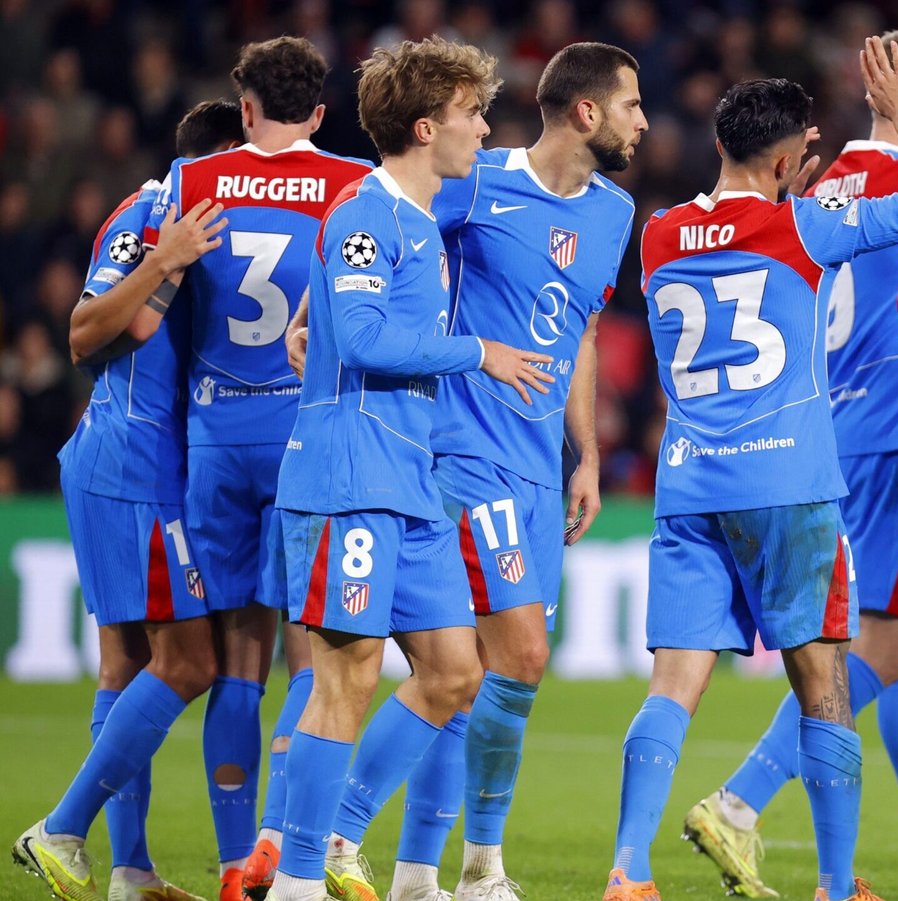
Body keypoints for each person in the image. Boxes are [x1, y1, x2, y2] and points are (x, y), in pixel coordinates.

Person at [604, 37, 898, 901]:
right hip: (788, 485)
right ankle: (837, 889)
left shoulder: (659, 234)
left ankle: (627, 870)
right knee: (825, 685)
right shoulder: (800, 224)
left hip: (689, 484)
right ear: (782, 159)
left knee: (673, 685)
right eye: (800, 154)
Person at [321, 41, 646, 901]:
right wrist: (325, 320)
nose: (644, 122)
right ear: (586, 112)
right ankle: (373, 841)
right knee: (522, 655)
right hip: (463, 451)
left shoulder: (615, 211)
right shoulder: (477, 182)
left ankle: (427, 873)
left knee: (475, 679)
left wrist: (587, 450)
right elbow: (391, 233)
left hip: (542, 465)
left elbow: (576, 332)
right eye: (631, 105)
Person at [264, 37, 554, 901]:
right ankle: (299, 880)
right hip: (348, 473)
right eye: (470, 113)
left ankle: (339, 832)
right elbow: (361, 338)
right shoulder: (366, 213)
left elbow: (335, 322)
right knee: (345, 675)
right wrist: (480, 352)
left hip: (410, 479)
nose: (482, 127)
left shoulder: (418, 221)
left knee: (456, 670)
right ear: (427, 127)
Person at [128, 36, 375, 901]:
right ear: (317, 112)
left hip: (215, 440)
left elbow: (152, 305)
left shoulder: (189, 183)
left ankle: (239, 867)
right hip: (306, 437)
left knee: (239, 658)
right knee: (318, 655)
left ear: (242, 107)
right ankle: (292, 842)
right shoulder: (350, 184)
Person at [11, 100, 239, 901]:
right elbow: (82, 334)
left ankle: (131, 869)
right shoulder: (156, 217)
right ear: (214, 166)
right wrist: (163, 259)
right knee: (193, 660)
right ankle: (62, 828)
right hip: (133, 468)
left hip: (138, 465)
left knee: (127, 661)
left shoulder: (179, 217)